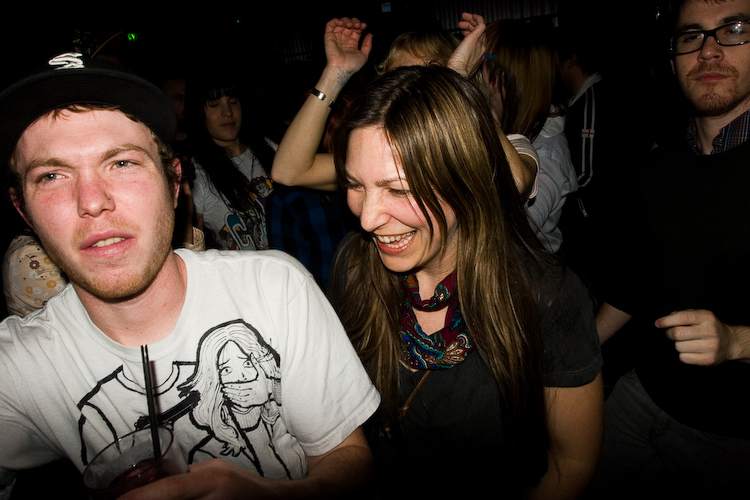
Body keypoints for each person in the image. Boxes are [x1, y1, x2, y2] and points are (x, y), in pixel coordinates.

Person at [0, 52, 380, 499]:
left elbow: (347, 459)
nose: (92, 201)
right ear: (21, 209)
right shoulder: (18, 369)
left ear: (174, 181)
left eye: (121, 163)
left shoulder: (276, 289)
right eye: (51, 175)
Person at [328, 64, 603, 499]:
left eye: (398, 189)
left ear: (466, 181)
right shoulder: (354, 266)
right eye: (355, 185)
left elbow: (572, 461)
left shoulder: (545, 296)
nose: (367, 218)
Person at [589, 0, 750, 497]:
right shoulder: (660, 166)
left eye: (733, 29)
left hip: (733, 435)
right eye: (691, 36)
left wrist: (737, 343)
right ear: (674, 58)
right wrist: (578, 349)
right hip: (642, 392)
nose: (709, 51)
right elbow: (633, 282)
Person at [270, 16, 539, 201]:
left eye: (428, 79)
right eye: (397, 79)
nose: (410, 95)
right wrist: (335, 72)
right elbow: (289, 171)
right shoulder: (382, 159)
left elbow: (514, 184)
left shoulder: (511, 145)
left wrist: (458, 80)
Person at [482, 17, 578, 254]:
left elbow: (510, 233)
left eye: (482, 57)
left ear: (507, 74)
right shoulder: (508, 127)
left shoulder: (547, 153)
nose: (475, 67)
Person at [185, 70, 276, 251]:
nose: (227, 112)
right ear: (198, 112)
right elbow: (194, 250)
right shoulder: (197, 175)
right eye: (214, 105)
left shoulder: (268, 148)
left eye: (233, 102)